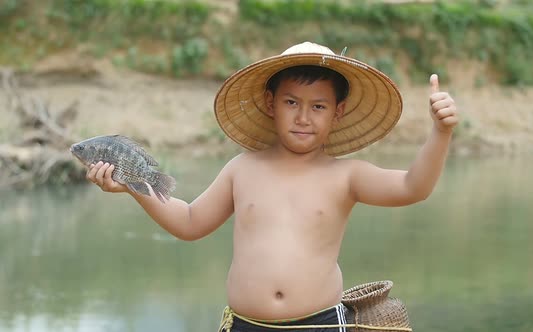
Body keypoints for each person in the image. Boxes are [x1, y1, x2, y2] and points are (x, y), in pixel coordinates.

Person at [85, 42, 458, 331]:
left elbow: (413, 186)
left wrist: (440, 132)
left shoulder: (347, 176)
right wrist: (134, 186)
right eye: (291, 102)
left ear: (338, 112)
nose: (302, 117)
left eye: (318, 107)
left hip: (321, 323)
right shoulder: (242, 168)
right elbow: (189, 221)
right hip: (246, 325)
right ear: (270, 103)